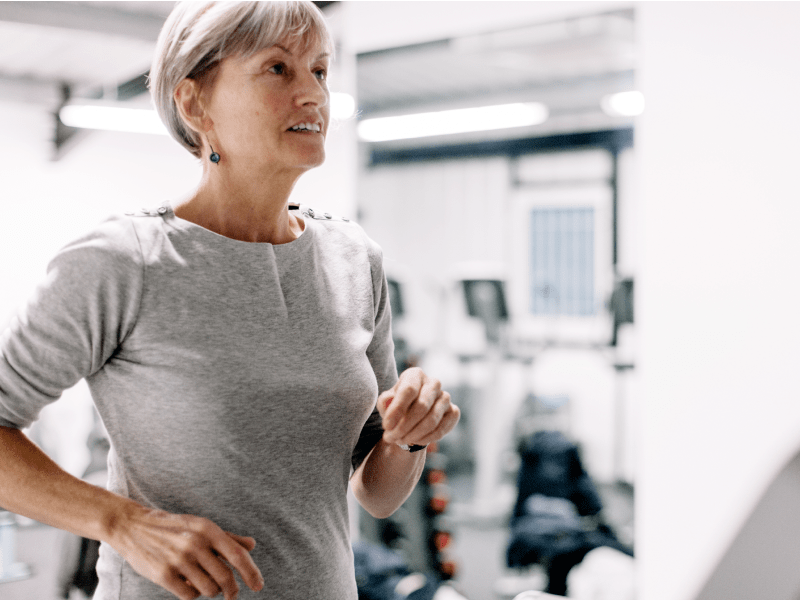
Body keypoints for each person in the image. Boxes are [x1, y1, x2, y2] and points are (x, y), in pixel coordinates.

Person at [0, 2, 460, 599]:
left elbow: (377, 493)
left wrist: (408, 436)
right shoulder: (125, 260)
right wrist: (121, 523)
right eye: (278, 68)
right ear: (195, 104)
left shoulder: (354, 259)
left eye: (320, 71)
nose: (313, 95)